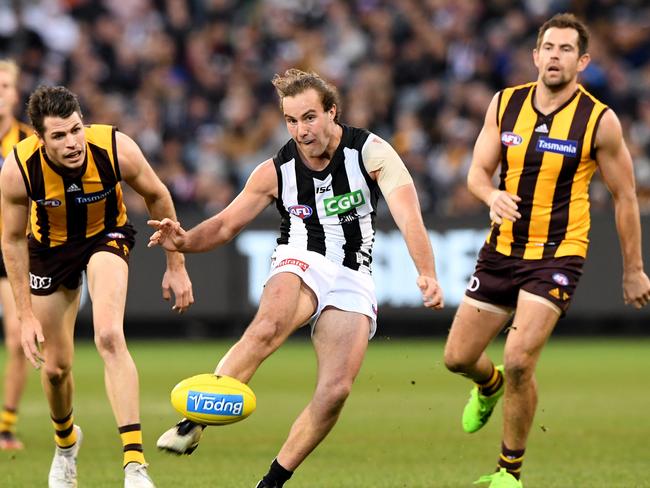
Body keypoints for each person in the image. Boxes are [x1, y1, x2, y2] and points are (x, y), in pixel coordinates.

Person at [149, 68, 444, 487]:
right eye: (291, 120)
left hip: (353, 273)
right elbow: (225, 225)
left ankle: (271, 482)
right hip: (300, 256)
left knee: (336, 391)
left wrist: (427, 272)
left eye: (309, 117)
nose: (301, 130)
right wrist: (184, 241)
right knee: (267, 326)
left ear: (331, 113)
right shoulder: (275, 171)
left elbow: (407, 213)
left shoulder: (371, 152)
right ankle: (192, 422)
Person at [443, 13, 650, 488]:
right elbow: (476, 173)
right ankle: (487, 384)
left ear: (583, 61)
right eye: (548, 48)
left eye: (565, 50)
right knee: (457, 357)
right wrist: (490, 195)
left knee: (519, 359)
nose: (555, 56)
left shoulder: (600, 121)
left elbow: (624, 196)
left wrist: (633, 270)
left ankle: (508, 473)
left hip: (558, 253)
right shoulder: (505, 104)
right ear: (535, 56)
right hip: (502, 250)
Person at [0, 85, 194, 488]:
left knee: (108, 334)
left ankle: (135, 466)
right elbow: (13, 239)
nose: (71, 143)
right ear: (40, 138)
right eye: (58, 136)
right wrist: (23, 315)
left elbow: (158, 195)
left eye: (75, 130)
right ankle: (67, 444)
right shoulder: (19, 169)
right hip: (49, 253)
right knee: (55, 369)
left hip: (107, 235)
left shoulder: (114, 147)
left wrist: (175, 265)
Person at [0, 59, 32, 451]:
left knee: (17, 334)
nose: (0, 91)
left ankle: (5, 425)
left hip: (14, 250)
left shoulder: (29, 142)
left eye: (6, 85)